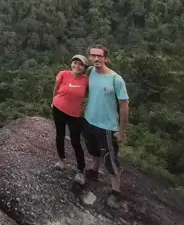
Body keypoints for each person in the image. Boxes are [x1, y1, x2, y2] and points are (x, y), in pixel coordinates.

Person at [82, 44, 129, 208]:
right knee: (92, 149)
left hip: (107, 126)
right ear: (89, 57)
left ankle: (116, 191)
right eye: (93, 56)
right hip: (89, 120)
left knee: (110, 158)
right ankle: (94, 171)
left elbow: (124, 105)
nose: (96, 59)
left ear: (106, 58)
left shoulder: (116, 79)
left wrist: (121, 131)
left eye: (99, 56)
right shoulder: (90, 73)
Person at [51, 54, 89, 185]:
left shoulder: (86, 80)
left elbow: (90, 95)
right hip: (58, 108)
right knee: (60, 135)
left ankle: (80, 170)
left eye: (81, 64)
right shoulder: (63, 74)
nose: (77, 66)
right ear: (71, 64)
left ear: (84, 68)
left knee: (75, 141)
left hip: (75, 114)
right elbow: (56, 88)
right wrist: (53, 101)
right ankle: (61, 160)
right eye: (75, 63)